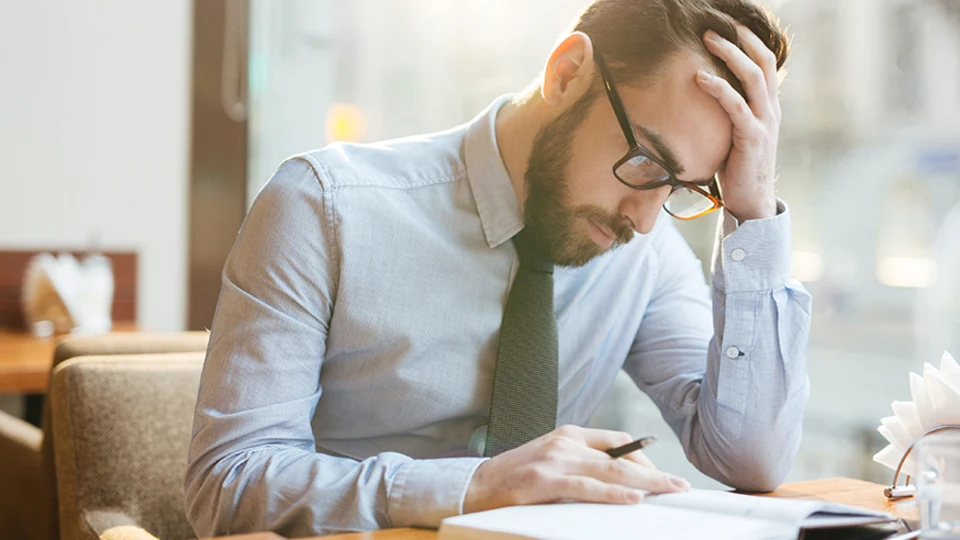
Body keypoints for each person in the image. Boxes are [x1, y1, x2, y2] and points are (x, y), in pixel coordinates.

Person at [184, 0, 812, 536]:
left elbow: (751, 457)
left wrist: (752, 210)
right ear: (567, 73)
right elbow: (227, 485)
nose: (644, 220)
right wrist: (472, 486)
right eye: (647, 163)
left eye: (684, 188)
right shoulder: (323, 208)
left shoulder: (644, 254)